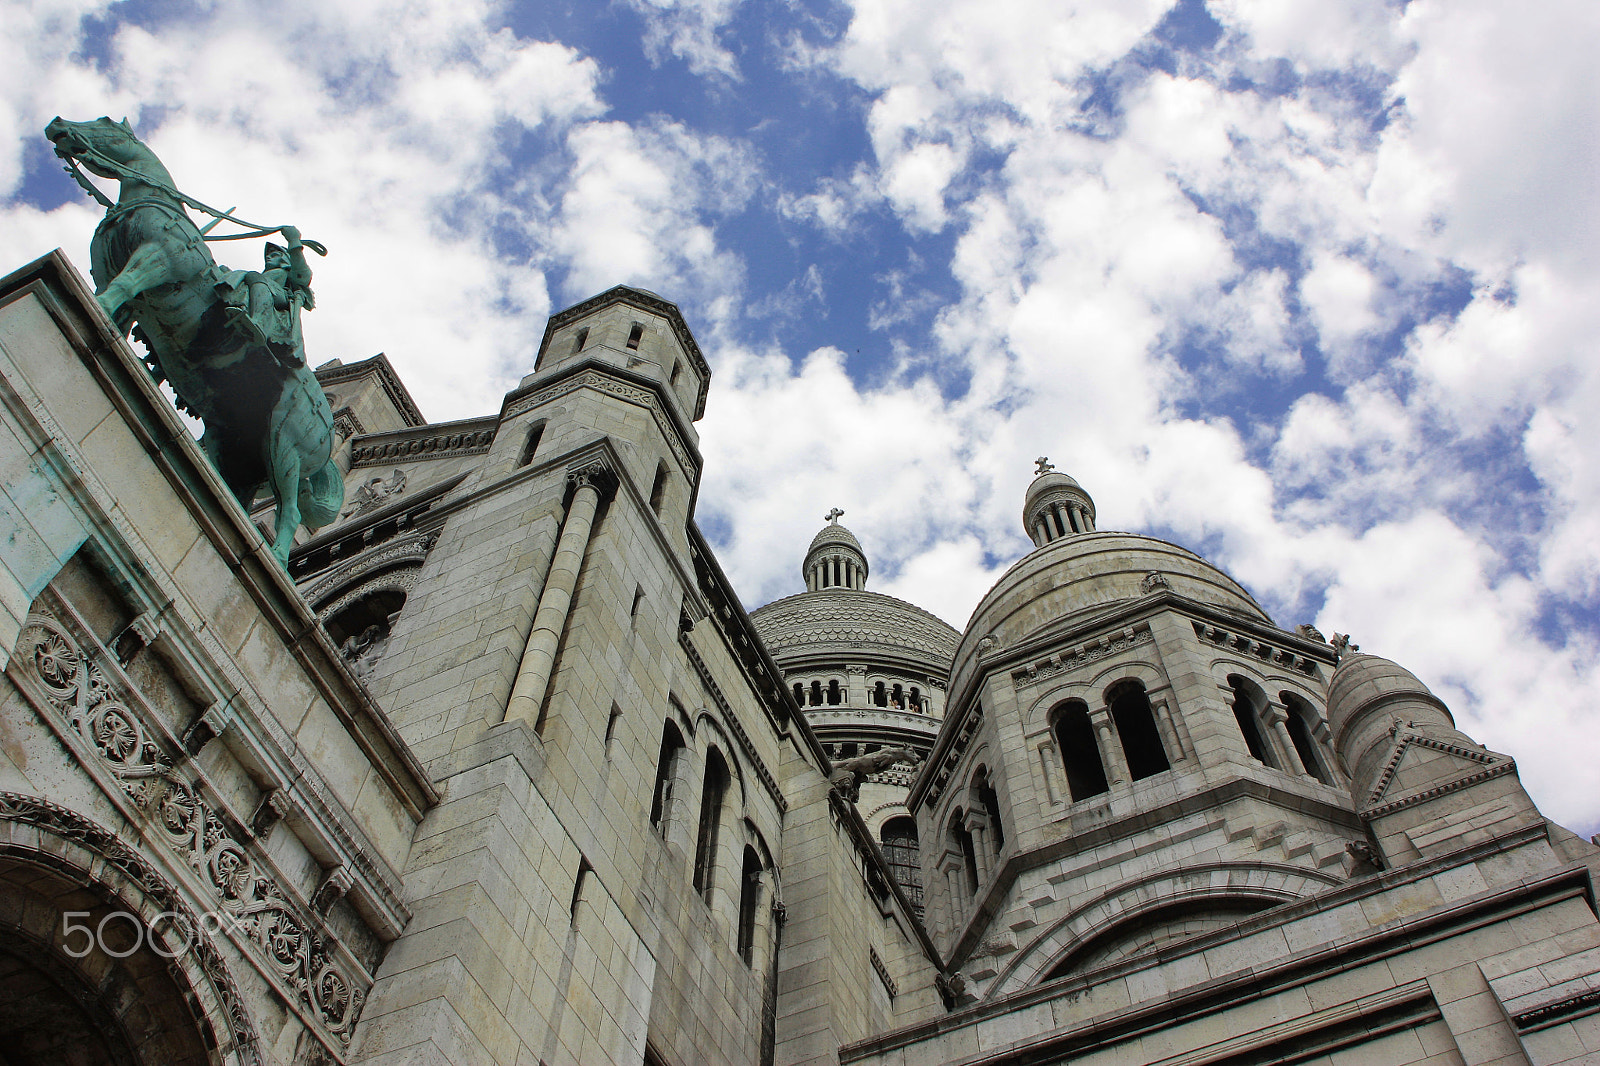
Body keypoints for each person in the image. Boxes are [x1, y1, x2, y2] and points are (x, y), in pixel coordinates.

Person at [218, 225, 314, 367]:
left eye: (274, 254)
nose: (268, 257)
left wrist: (293, 240)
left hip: (280, 297)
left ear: (284, 259)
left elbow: (303, 274)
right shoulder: (262, 275)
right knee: (238, 274)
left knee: (252, 275)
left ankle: (259, 323)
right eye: (268, 255)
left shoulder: (287, 273)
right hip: (263, 288)